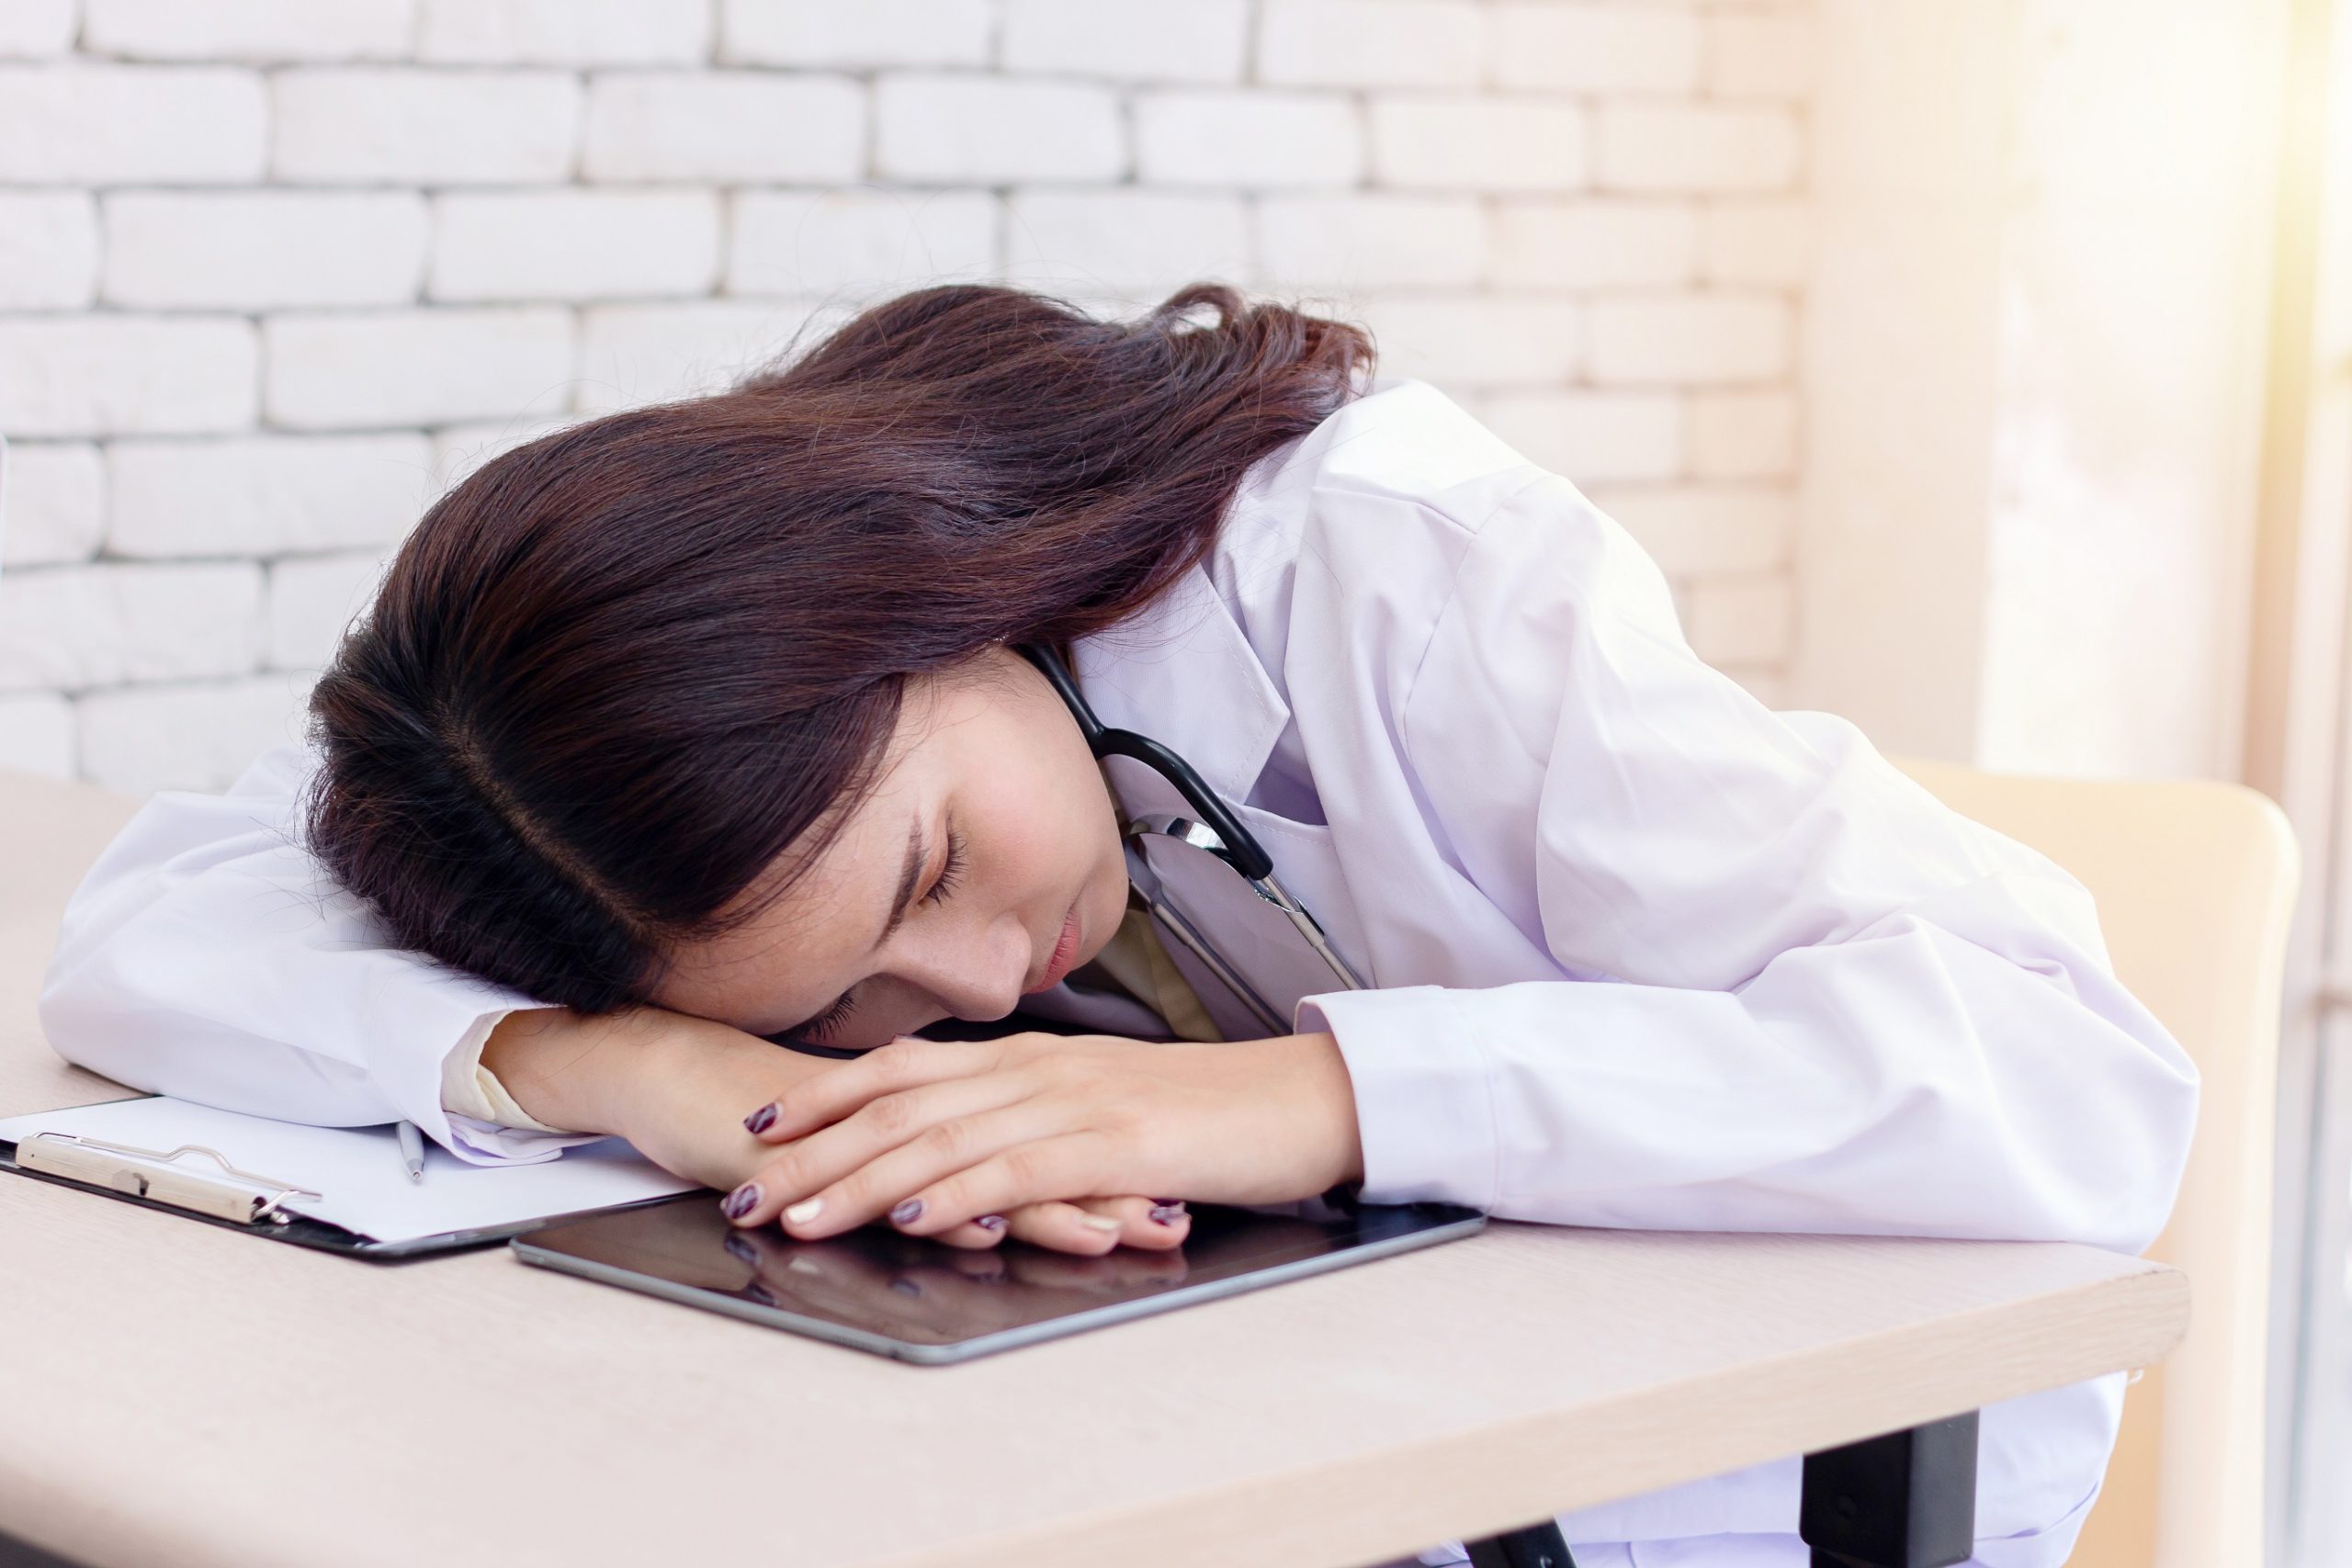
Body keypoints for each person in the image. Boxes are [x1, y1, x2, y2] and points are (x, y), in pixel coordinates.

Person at [39, 282, 2198, 1567]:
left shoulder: (1384, 561)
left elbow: (2067, 1076)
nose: (970, 985)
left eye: (924, 872)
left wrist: (1290, 1103)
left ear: (913, 588)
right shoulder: (607, 771)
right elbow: (155, 923)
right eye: (862, 1000)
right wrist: (640, 1065)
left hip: (1725, 1482)